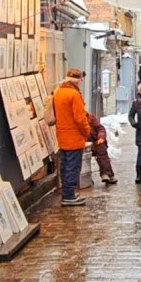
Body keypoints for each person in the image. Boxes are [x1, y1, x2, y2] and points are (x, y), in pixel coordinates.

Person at [53, 69, 92, 206]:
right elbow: (80, 118)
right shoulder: (74, 94)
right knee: (73, 166)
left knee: (65, 166)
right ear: (78, 80)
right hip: (74, 135)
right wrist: (87, 131)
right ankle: (68, 195)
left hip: (62, 134)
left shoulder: (58, 92)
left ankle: (67, 193)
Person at [87, 113, 116, 185]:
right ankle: (86, 178)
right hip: (82, 144)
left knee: (101, 148)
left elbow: (100, 128)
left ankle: (106, 174)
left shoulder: (90, 117)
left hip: (94, 142)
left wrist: (101, 137)